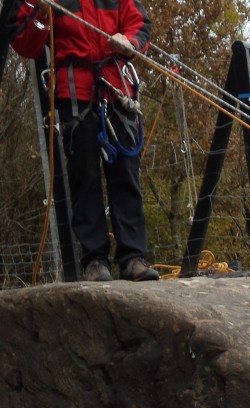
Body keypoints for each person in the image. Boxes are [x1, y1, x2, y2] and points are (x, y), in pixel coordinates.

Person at [11, 0, 159, 282]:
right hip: (75, 90)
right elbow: (25, 42)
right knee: (85, 175)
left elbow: (140, 24)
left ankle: (133, 257)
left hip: (116, 87)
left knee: (127, 173)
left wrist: (129, 42)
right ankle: (95, 261)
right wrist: (42, 16)